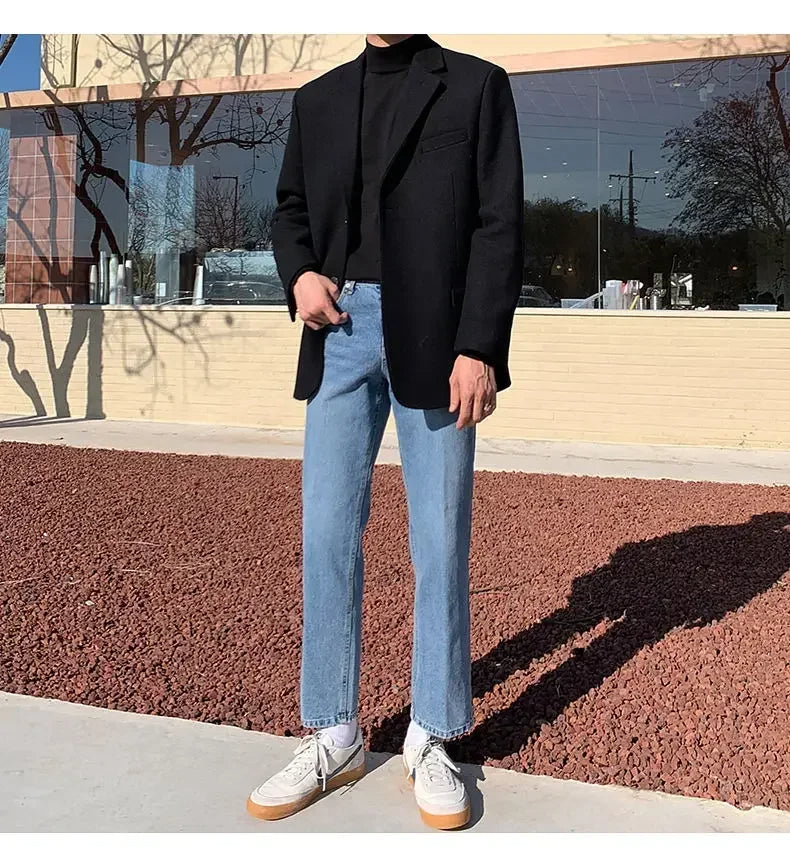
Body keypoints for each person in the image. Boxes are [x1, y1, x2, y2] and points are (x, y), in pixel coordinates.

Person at [247, 33, 523, 830]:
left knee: (439, 537)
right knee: (327, 532)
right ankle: (334, 734)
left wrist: (480, 346)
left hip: (437, 335)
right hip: (336, 331)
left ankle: (431, 734)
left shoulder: (475, 85)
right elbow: (290, 209)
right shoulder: (319, 97)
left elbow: (499, 223)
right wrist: (299, 273)